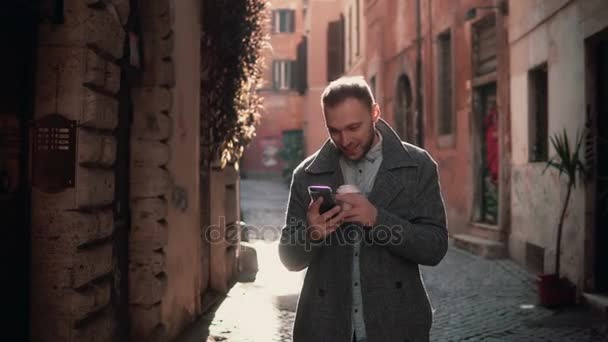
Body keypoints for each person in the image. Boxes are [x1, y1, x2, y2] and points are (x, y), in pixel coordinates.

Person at [279, 76, 448, 342]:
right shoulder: (307, 174)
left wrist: (377, 219)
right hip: (324, 327)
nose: (345, 139)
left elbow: (435, 247)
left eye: (353, 127)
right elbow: (289, 258)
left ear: (375, 113)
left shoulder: (417, 166)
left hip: (397, 324)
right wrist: (312, 235)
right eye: (334, 130)